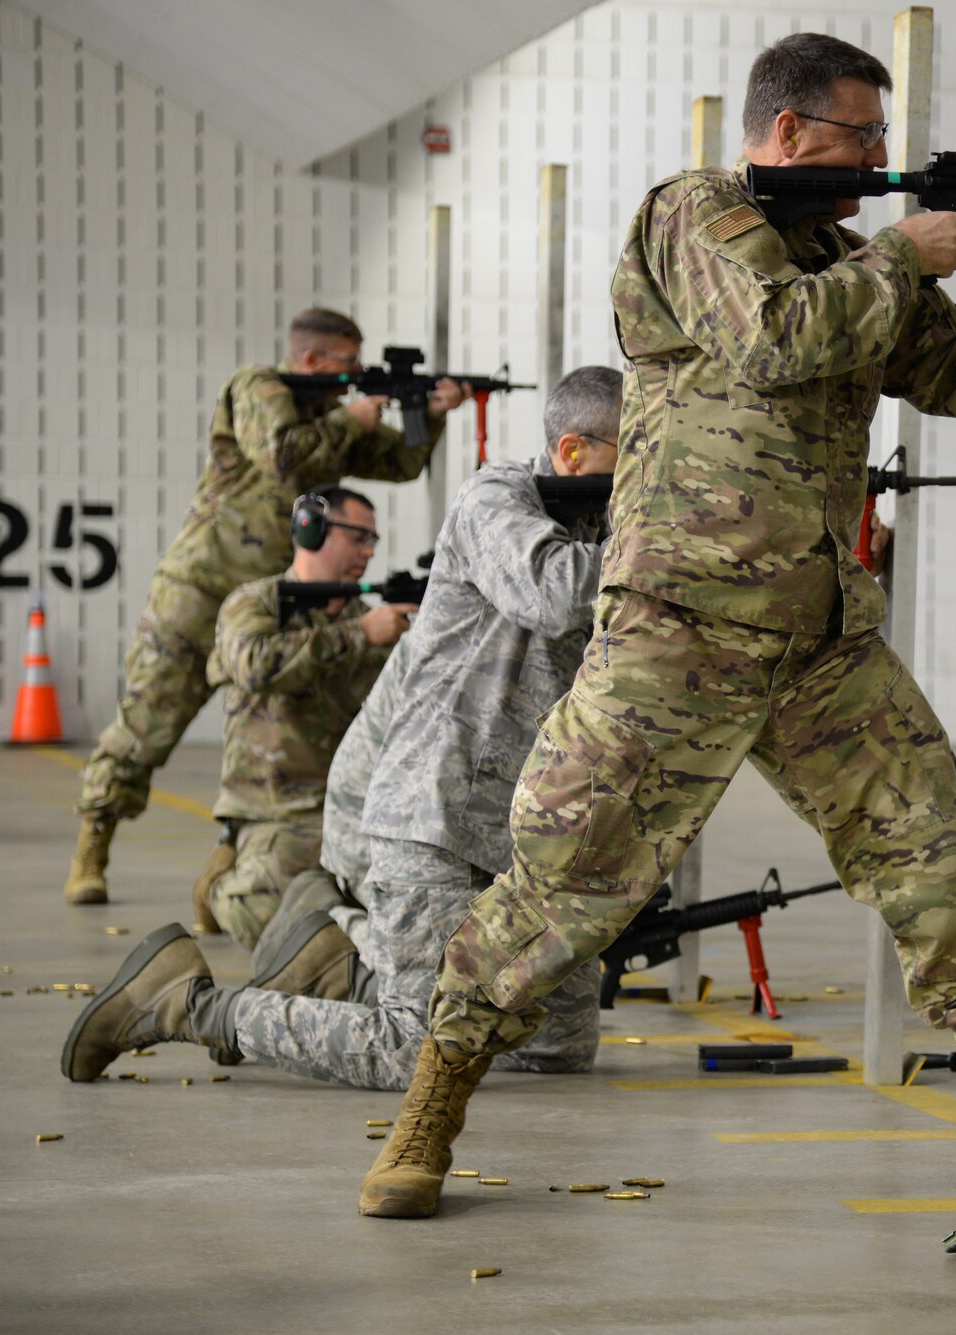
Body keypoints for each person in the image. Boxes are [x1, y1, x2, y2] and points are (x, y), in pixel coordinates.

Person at [345, 32, 956, 1218]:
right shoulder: (694, 211)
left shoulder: (843, 253)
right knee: (561, 879)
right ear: (788, 133)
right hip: (678, 627)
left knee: (933, 866)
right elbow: (768, 335)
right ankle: (428, 1115)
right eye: (864, 135)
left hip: (817, 637)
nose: (881, 156)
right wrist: (899, 254)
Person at [61, 368, 622, 1091]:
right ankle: (186, 1004)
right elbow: (555, 592)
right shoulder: (497, 498)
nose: (649, 473)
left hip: (524, 835)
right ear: (573, 453)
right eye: (634, 452)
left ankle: (347, 962)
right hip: (433, 817)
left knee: (557, 1047)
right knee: (412, 1050)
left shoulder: (604, 527)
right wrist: (674, 542)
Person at [61, 308, 468, 907]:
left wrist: (428, 417)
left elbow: (398, 464)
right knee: (150, 721)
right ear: (311, 361)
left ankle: (230, 860)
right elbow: (284, 455)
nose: (358, 374)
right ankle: (94, 840)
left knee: (271, 738)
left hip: (274, 601)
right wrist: (348, 416)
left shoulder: (326, 418)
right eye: (347, 363)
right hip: (201, 588)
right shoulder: (261, 388)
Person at [192, 485, 413, 950]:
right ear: (311, 532)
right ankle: (219, 888)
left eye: (372, 540)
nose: (368, 551)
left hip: (349, 809)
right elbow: (256, 665)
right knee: (278, 925)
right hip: (275, 806)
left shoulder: (369, 619)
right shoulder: (254, 604)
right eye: (358, 537)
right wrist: (358, 635)